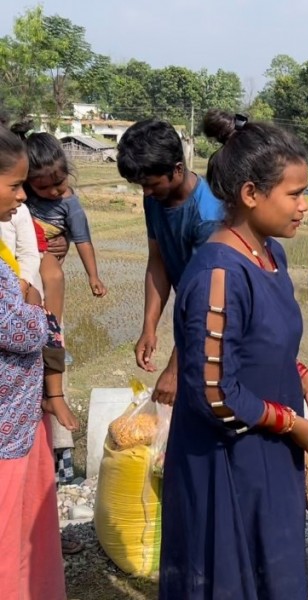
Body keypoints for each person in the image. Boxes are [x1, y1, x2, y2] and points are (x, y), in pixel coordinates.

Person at [159, 110, 308, 600]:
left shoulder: (270, 254)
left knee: (273, 568)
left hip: (270, 447)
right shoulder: (220, 274)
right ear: (250, 194)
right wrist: (293, 423)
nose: (305, 206)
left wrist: (303, 377)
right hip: (228, 456)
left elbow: (265, 341)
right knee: (232, 572)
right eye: (294, 193)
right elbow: (216, 394)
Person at [0, 123, 67, 600]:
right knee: (9, 533)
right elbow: (17, 327)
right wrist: (41, 317)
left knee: (26, 525)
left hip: (19, 419)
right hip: (6, 428)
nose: (23, 197)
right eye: (15, 186)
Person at [117, 119, 223, 405]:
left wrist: (174, 369)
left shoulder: (208, 215)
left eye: (151, 185)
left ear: (178, 169)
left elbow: (208, 299)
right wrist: (149, 327)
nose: (146, 193)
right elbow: (158, 261)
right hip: (193, 323)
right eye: (140, 185)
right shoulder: (155, 200)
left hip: (217, 327)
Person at [24, 132, 107, 322]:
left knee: (53, 276)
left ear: (67, 171)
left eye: (58, 183)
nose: (53, 192)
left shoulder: (70, 205)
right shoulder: (21, 193)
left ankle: (53, 332)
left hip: (45, 252)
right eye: (43, 188)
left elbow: (83, 240)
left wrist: (93, 276)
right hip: (20, 249)